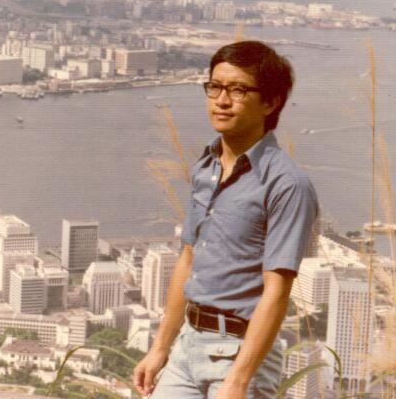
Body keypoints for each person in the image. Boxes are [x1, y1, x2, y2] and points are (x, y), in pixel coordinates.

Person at [132, 41, 318, 399]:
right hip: (187, 346)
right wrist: (160, 349)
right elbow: (188, 260)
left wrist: (238, 379)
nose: (221, 100)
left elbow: (276, 291)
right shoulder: (206, 167)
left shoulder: (287, 184)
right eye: (214, 87)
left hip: (239, 355)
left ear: (271, 101)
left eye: (238, 90)